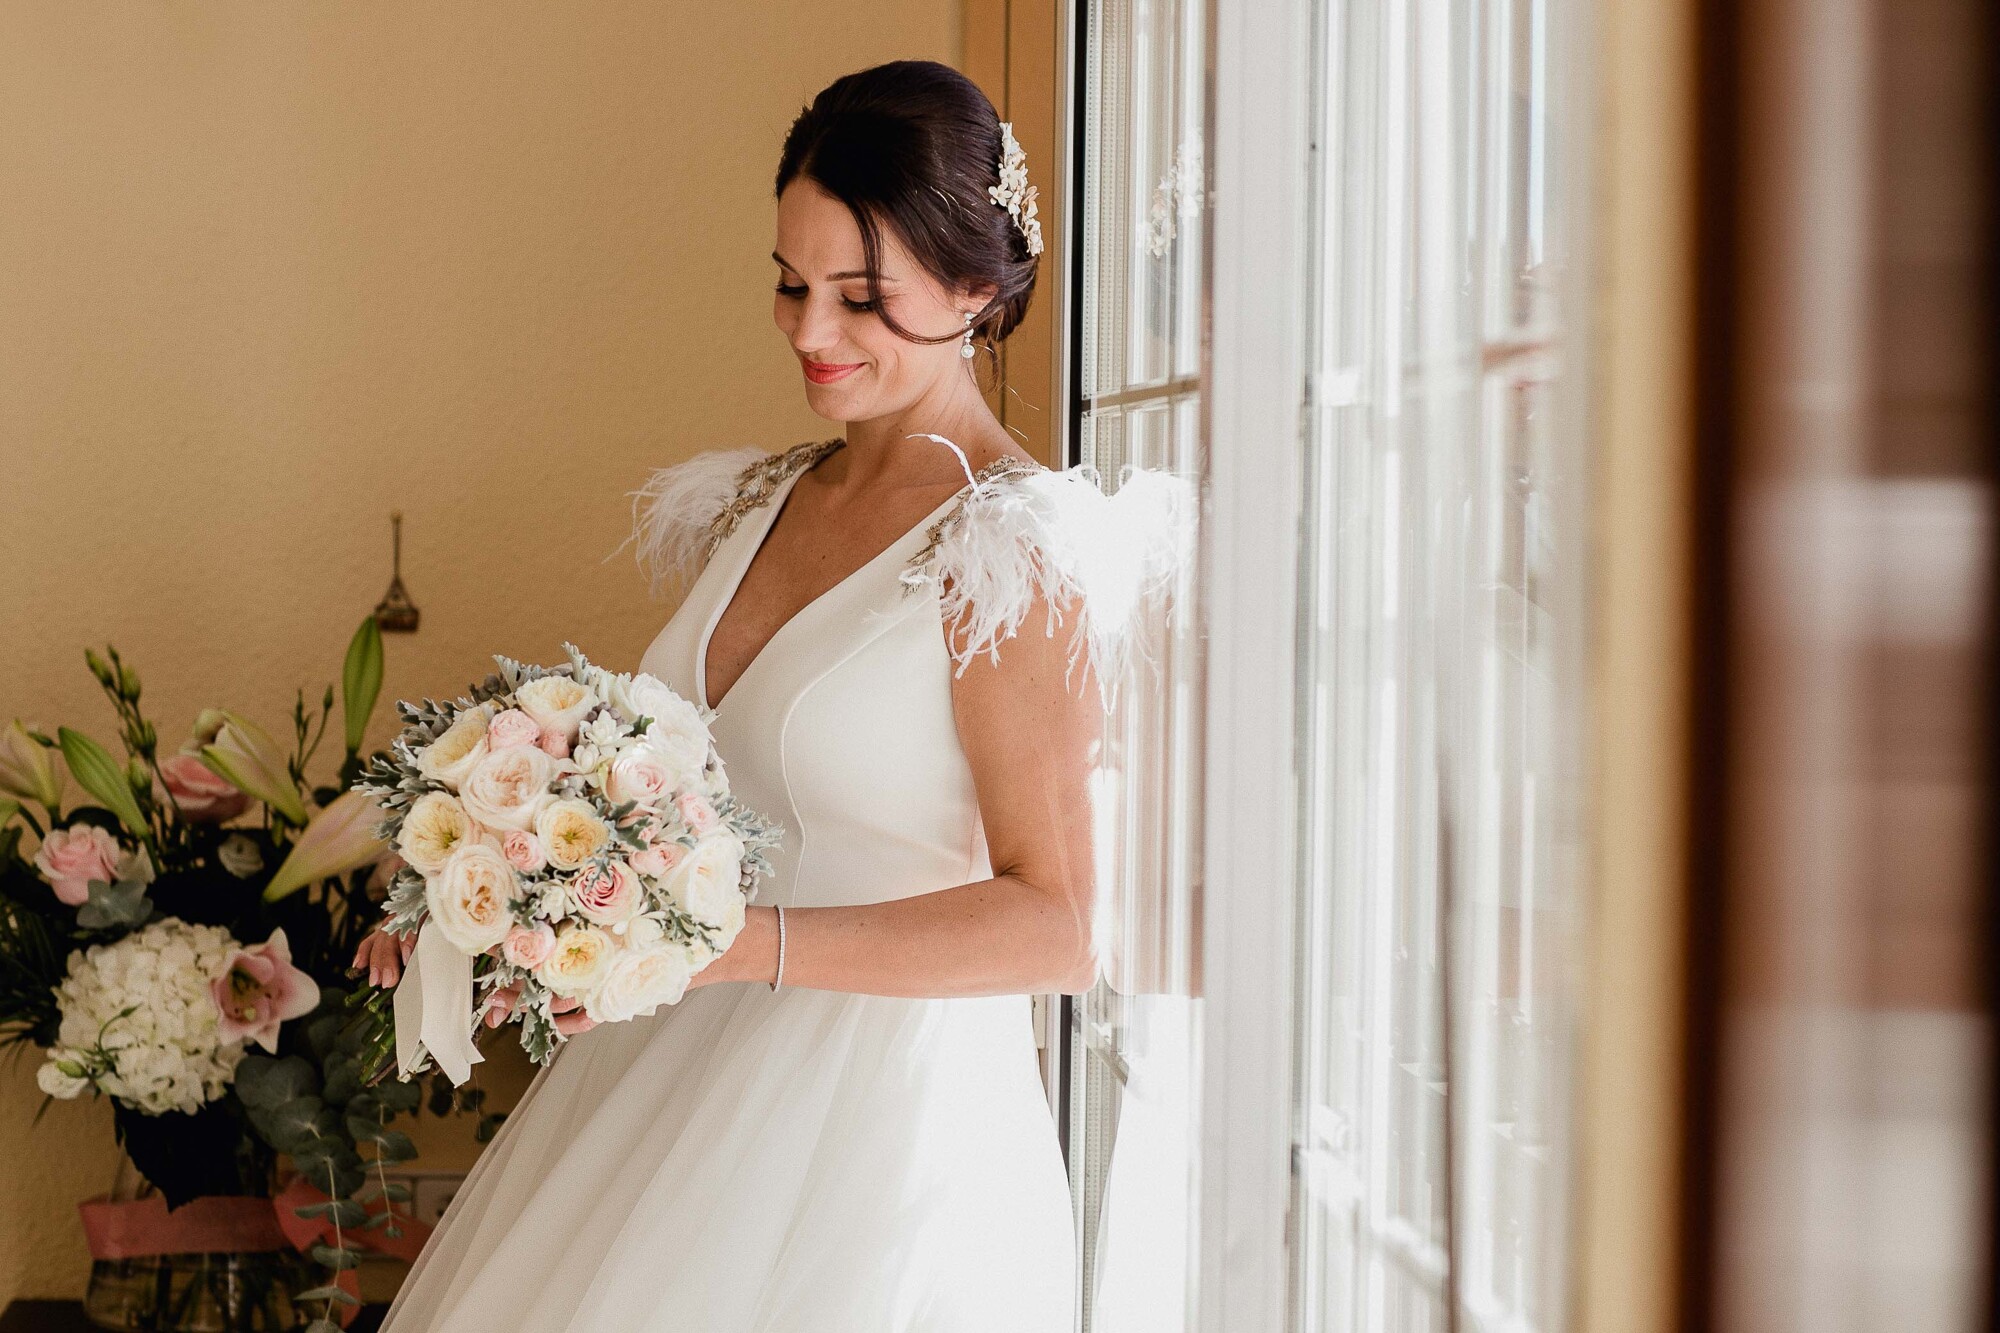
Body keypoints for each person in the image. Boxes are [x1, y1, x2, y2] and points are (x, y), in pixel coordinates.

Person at [352, 58, 1186, 1333]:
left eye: (862, 297)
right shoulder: (757, 501)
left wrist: (746, 948)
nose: (808, 332)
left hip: (871, 1146)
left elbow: (1065, 921)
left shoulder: (1008, 552)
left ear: (975, 289)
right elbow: (665, 798)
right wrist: (485, 883)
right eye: (792, 283)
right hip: (659, 1091)